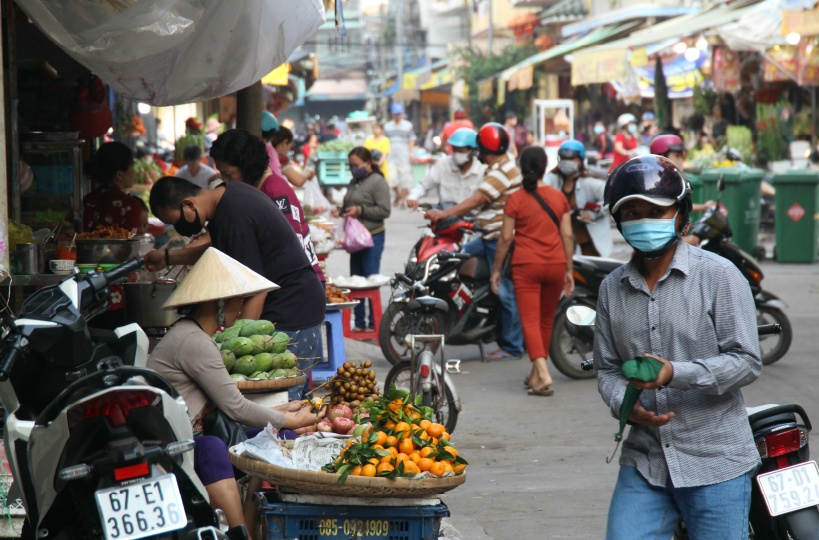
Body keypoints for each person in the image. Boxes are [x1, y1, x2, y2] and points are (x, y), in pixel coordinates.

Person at [594, 155, 761, 539]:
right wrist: (624, 402)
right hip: (645, 462)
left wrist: (675, 374)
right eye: (632, 212)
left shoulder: (719, 275)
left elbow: (747, 361)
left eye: (655, 210)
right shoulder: (611, 289)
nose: (643, 219)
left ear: (680, 213)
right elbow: (606, 369)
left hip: (717, 461)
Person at [148, 247, 324, 536]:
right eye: (237, 302)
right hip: (175, 443)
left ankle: (252, 525)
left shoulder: (195, 336)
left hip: (193, 432)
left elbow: (231, 403)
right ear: (219, 304)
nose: (241, 310)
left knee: (276, 439)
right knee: (214, 449)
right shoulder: (194, 342)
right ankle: (238, 530)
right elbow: (236, 408)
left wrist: (281, 415)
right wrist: (292, 419)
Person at [143, 174, 326, 401]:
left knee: (277, 402)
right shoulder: (227, 199)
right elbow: (218, 251)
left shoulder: (233, 215)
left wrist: (234, 343)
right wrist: (168, 257)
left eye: (176, 221)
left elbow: (255, 289)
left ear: (188, 204)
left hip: (293, 307)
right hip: (291, 301)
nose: (179, 228)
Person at [425, 123, 524, 360]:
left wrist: (445, 214)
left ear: (483, 150)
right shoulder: (498, 165)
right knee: (454, 257)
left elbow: (477, 199)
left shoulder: (501, 169)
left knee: (504, 290)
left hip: (498, 238)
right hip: (487, 235)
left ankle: (512, 347)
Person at [490, 146, 574, 396]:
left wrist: (496, 269)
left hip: (526, 265)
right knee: (546, 320)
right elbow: (567, 235)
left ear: (521, 166)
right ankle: (537, 376)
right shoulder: (559, 197)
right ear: (545, 166)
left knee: (530, 319)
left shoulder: (515, 199)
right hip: (556, 264)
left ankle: (543, 373)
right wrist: (568, 269)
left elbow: (505, 238)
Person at [330, 147, 391, 331]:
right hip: (355, 240)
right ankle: (358, 323)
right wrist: (341, 210)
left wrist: (361, 211)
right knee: (355, 281)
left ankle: (374, 324)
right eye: (350, 165)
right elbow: (350, 203)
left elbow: (385, 210)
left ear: (368, 163)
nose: (353, 169)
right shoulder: (354, 181)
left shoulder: (378, 182)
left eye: (356, 165)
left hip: (372, 237)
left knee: (370, 280)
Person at [544, 140, 612, 257]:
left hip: (588, 243)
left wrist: (592, 213)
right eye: (564, 159)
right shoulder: (553, 179)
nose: (567, 162)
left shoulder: (590, 183)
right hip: (560, 241)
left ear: (580, 161)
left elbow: (609, 199)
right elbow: (541, 188)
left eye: (572, 159)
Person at [406, 128, 486, 210]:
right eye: (455, 150)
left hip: (472, 218)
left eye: (461, 151)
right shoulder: (443, 164)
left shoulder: (482, 170)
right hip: (445, 217)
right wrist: (413, 197)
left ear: (472, 151)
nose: (457, 154)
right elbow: (423, 185)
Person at [83, 141, 144, 233]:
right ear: (119, 174)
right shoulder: (130, 206)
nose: (134, 172)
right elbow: (127, 244)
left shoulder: (87, 200)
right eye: (132, 167)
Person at [650, 134, 716, 217]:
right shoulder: (656, 182)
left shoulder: (673, 180)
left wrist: (704, 207)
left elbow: (680, 205)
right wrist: (703, 207)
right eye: (677, 156)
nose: (681, 161)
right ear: (661, 159)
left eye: (682, 156)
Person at [383, 103, 415, 208]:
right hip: (391, 157)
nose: (397, 116)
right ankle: (398, 194)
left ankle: (403, 199)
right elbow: (385, 141)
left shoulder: (408, 126)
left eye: (399, 114)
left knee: (406, 179)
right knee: (391, 179)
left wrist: (411, 153)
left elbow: (411, 139)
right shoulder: (387, 127)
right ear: (392, 114)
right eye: (396, 114)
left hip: (404, 156)